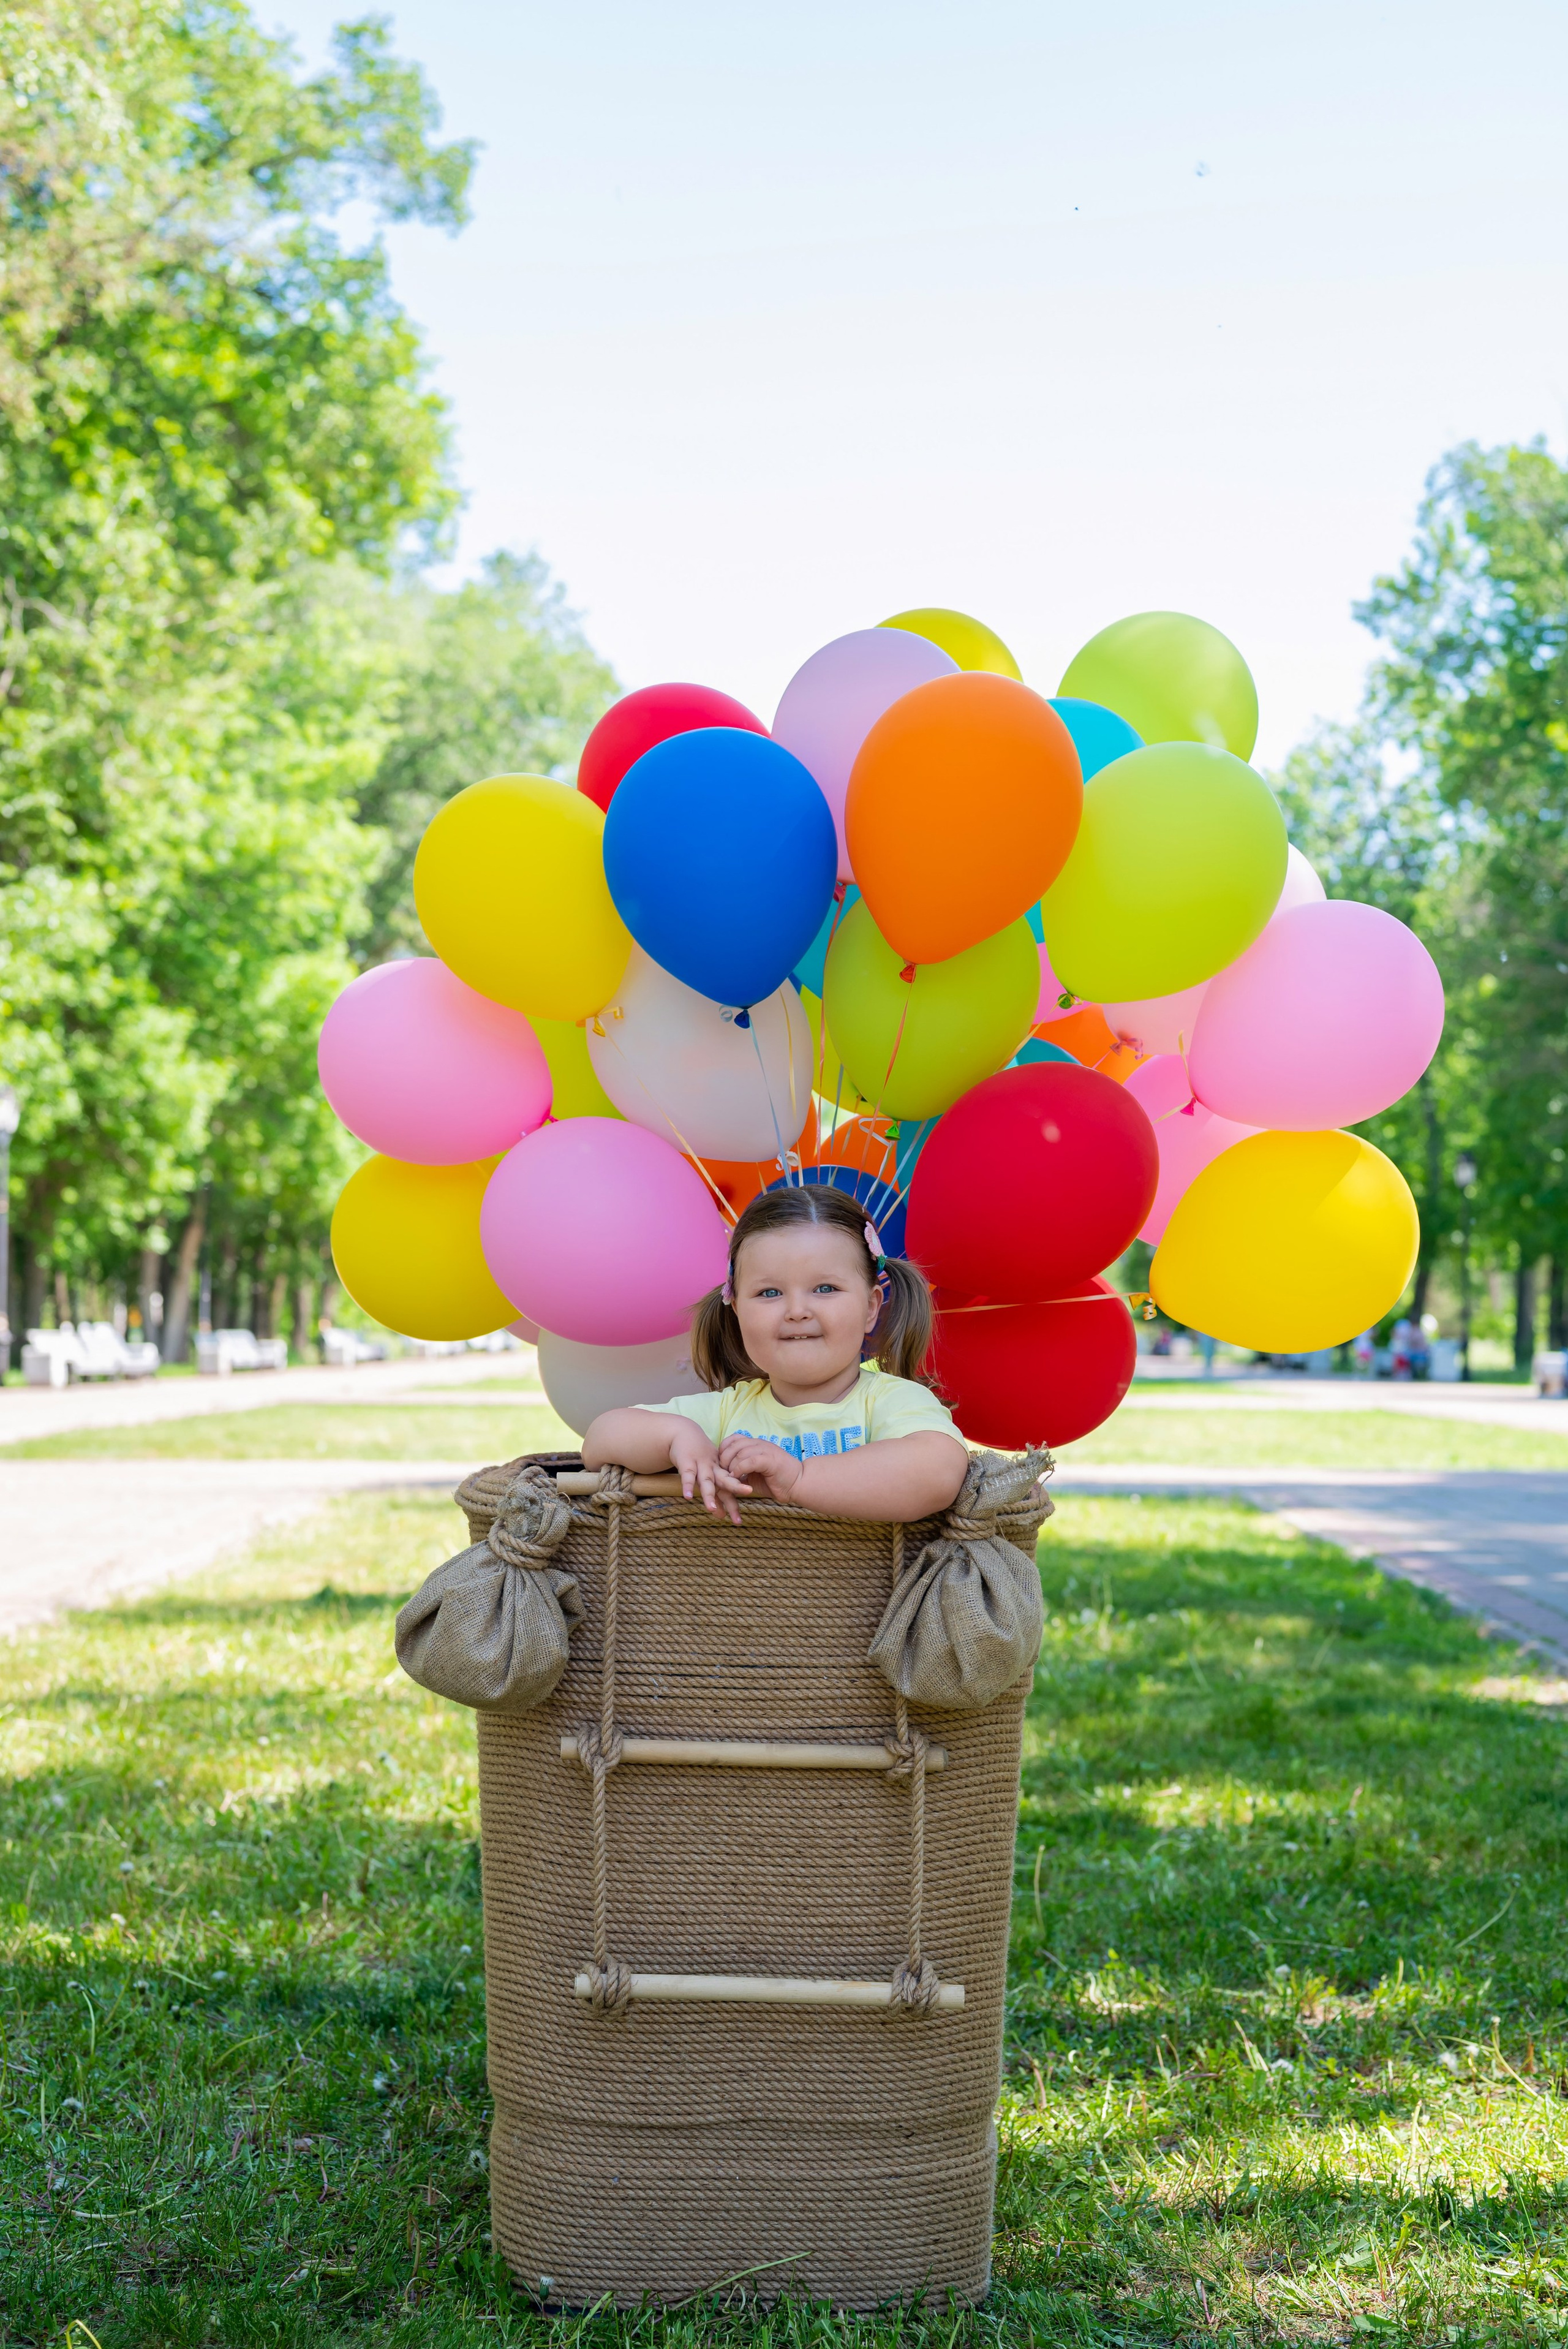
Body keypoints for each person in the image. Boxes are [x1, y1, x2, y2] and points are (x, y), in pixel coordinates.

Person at [582, 1185, 970, 1524]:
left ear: (870, 1308)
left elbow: (938, 1472)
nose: (797, 1310)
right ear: (736, 1312)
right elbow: (599, 1442)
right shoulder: (727, 1413)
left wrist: (799, 1479)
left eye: (825, 1288)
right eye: (769, 1293)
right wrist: (675, 1435)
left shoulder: (889, 1401)